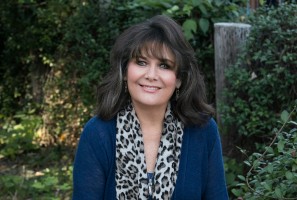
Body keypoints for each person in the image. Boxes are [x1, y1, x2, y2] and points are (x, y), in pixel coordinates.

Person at [72, 15, 229, 200]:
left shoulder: (203, 132)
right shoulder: (98, 134)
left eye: (164, 65)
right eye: (141, 62)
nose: (151, 75)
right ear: (124, 72)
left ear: (179, 79)